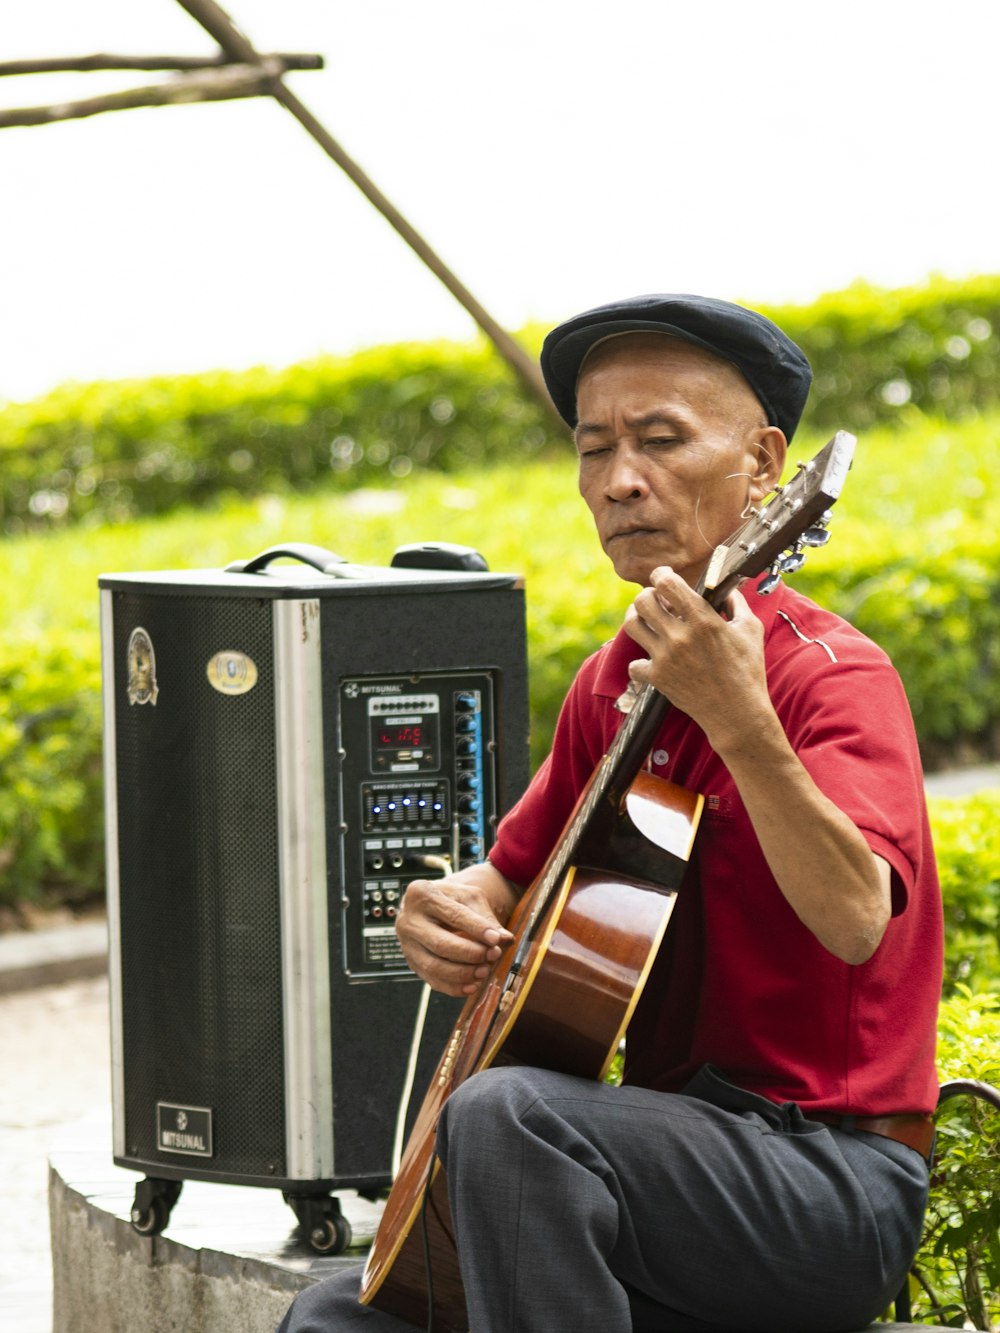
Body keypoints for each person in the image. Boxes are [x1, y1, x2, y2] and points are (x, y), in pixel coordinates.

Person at [278, 294, 943, 1333]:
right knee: (333, 1318)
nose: (619, 480)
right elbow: (501, 882)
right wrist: (438, 914)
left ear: (765, 465)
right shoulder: (614, 687)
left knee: (505, 1119)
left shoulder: (832, 678)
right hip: (646, 1169)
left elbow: (857, 916)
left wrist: (740, 720)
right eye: (595, 450)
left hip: (828, 1182)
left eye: (661, 440)